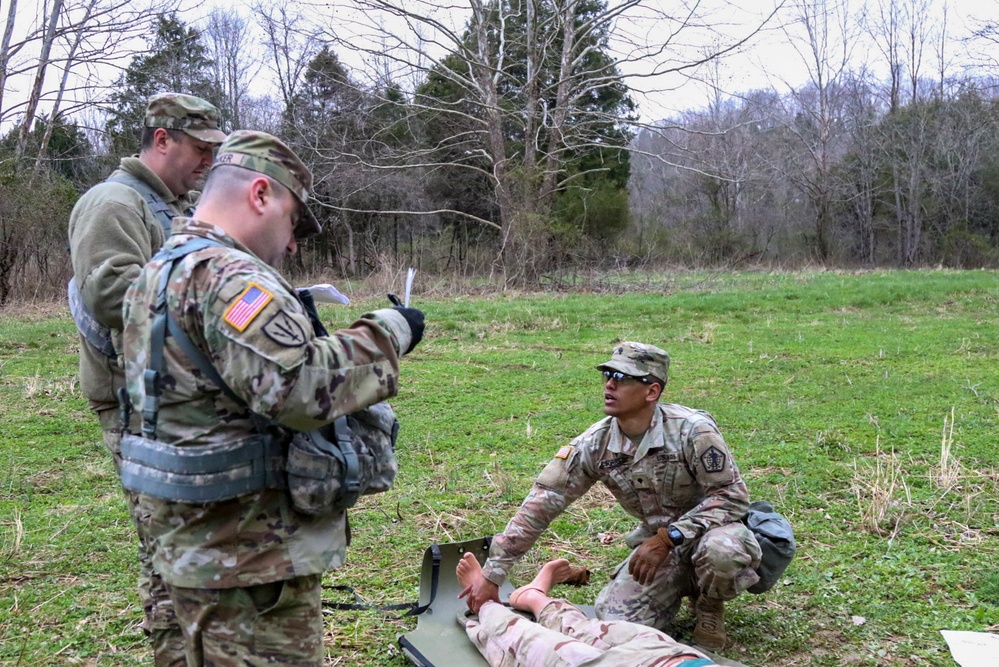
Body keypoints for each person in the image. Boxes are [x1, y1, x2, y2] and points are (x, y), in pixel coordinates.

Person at [120, 129, 424, 666]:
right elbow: (300, 387)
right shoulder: (232, 277)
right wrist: (389, 331)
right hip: (244, 558)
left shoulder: (159, 270)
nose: (292, 245)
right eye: (292, 222)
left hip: (184, 540)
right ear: (260, 194)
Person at [462, 342, 761, 651]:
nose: (610, 383)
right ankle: (681, 582)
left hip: (711, 532)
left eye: (623, 377)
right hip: (657, 549)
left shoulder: (692, 431)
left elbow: (733, 497)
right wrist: (493, 574)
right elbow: (540, 505)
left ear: (652, 391)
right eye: (607, 374)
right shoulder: (595, 444)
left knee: (723, 551)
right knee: (616, 621)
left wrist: (668, 536)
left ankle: (709, 604)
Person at [67, 92, 226, 665]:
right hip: (139, 409)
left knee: (195, 549)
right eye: (200, 148)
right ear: (162, 140)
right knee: (168, 558)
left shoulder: (164, 207)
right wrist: (212, 297)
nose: (208, 161)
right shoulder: (114, 202)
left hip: (170, 405)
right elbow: (112, 294)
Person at [457, 554, 719, 667]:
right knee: (593, 631)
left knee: (530, 645)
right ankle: (536, 599)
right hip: (677, 659)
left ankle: (486, 607)